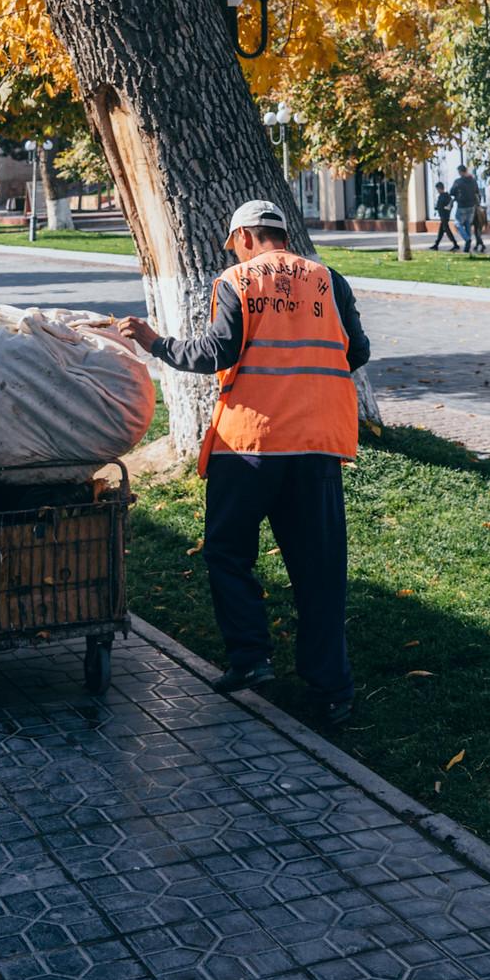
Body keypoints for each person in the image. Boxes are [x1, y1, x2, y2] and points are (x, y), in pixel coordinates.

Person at [117, 198, 370, 726]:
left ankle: (251, 660)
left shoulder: (238, 280)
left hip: (251, 445)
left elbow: (216, 352)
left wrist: (154, 341)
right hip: (317, 444)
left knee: (229, 553)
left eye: (234, 244)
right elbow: (357, 351)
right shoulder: (330, 281)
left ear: (246, 237)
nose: (234, 251)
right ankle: (331, 691)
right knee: (319, 571)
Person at [449, 165, 479, 253]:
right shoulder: (473, 181)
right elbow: (477, 191)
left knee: (457, 223)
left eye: (459, 172)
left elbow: (452, 192)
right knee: (467, 224)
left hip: (462, 206)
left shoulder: (458, 182)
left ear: (461, 172)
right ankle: (467, 245)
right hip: (471, 206)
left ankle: (467, 239)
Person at [430, 181, 456, 250]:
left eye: (438, 189)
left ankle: (455, 244)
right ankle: (436, 244)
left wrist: (444, 209)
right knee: (441, 231)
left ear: (440, 188)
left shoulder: (445, 196)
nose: (437, 191)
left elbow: (448, 206)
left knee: (447, 230)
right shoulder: (442, 196)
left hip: (445, 216)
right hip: (442, 216)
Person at [470, 183, 487, 255]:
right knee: (477, 233)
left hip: (477, 219)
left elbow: (474, 214)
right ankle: (477, 245)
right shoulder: (477, 194)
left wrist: (471, 223)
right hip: (478, 218)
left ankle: (482, 245)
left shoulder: (474, 196)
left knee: (477, 234)